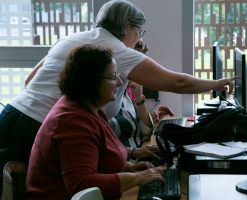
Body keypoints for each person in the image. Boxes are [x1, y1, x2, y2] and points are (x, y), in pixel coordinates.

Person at [0, 0, 236, 164]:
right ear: (128, 28)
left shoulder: (75, 38)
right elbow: (177, 83)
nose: (139, 38)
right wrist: (217, 84)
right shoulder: (116, 51)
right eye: (139, 31)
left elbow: (30, 79)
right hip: (36, 128)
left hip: (11, 116)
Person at [23, 44, 164, 200]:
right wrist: (138, 178)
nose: (118, 81)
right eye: (112, 77)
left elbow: (98, 157)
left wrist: (130, 168)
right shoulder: (73, 122)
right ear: (90, 81)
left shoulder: (88, 109)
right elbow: (82, 185)